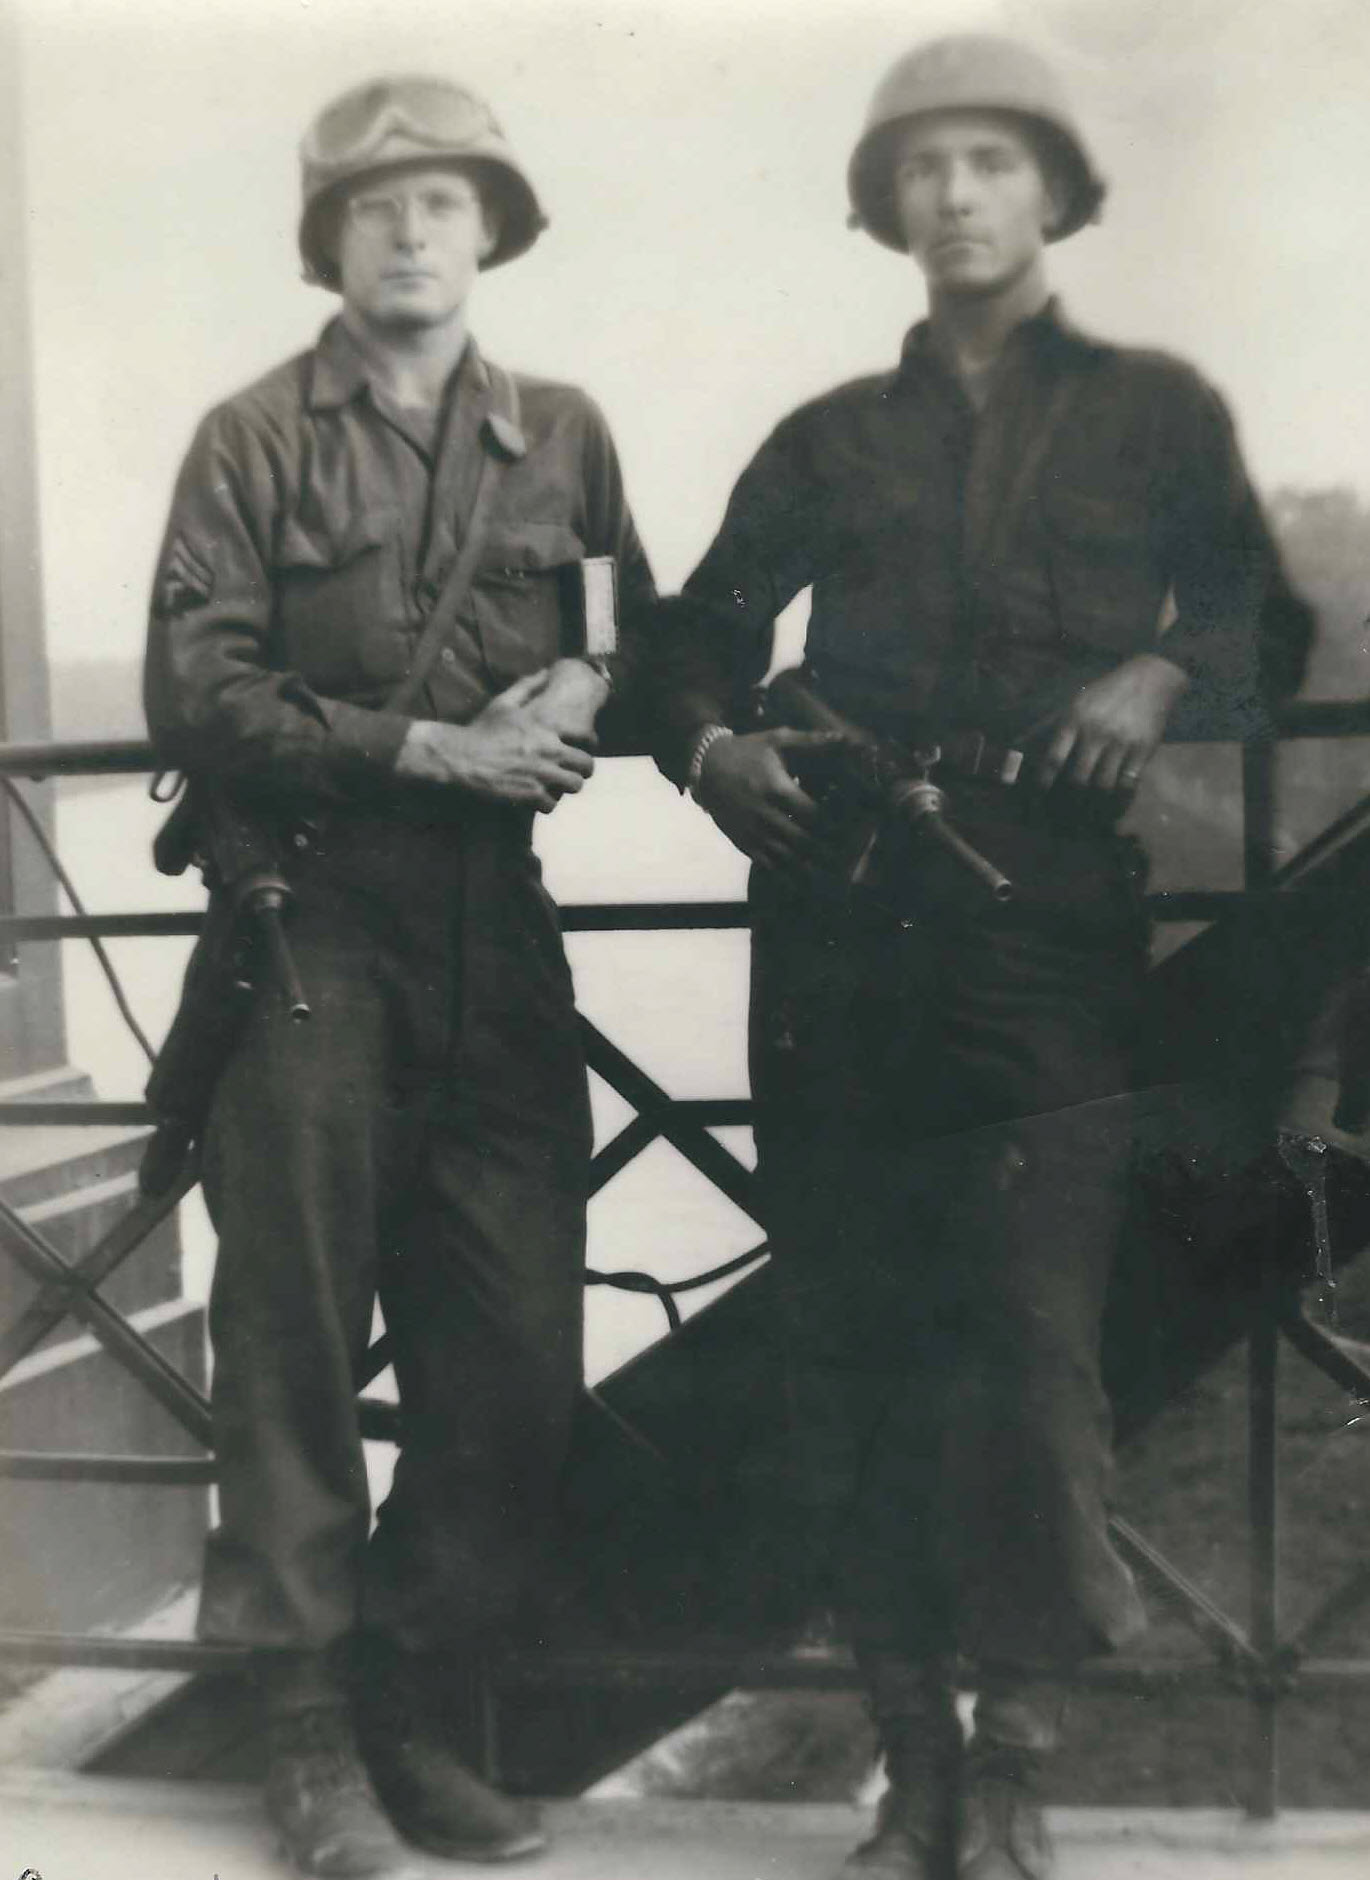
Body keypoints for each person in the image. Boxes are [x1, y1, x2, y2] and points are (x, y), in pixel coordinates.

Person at [649, 34, 1310, 1880]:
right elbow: (683, 635)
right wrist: (716, 750)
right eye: (919, 166)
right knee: (851, 1342)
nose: (952, 194)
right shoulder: (825, 439)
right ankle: (907, 1758)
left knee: (1029, 1347)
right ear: (884, 204)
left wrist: (1161, 668)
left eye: (989, 163)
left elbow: (1261, 607)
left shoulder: (1155, 413)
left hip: (1042, 933)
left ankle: (1013, 1761)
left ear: (1051, 192)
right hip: (842, 921)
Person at [143, 74, 653, 1877]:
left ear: (490, 229)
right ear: (331, 241)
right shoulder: (252, 437)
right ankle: (307, 1743)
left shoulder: (566, 435)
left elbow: (622, 638)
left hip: (494, 945)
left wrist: (582, 696)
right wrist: (431, 753)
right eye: (377, 208)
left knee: (510, 1349)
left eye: (445, 202)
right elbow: (197, 696)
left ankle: (419, 1715)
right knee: (289, 1346)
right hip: (309, 926)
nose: (413, 230)